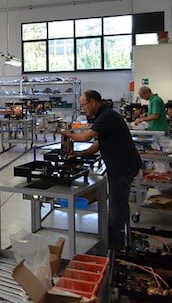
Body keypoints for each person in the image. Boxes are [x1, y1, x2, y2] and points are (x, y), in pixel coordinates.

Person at [61, 90, 142, 249]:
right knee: (115, 201)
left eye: (84, 104)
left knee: (118, 203)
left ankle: (119, 242)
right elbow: (99, 143)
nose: (83, 108)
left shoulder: (107, 116)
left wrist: (66, 133)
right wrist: (81, 154)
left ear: (93, 102)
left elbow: (86, 137)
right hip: (120, 165)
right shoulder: (104, 115)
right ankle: (114, 232)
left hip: (123, 167)